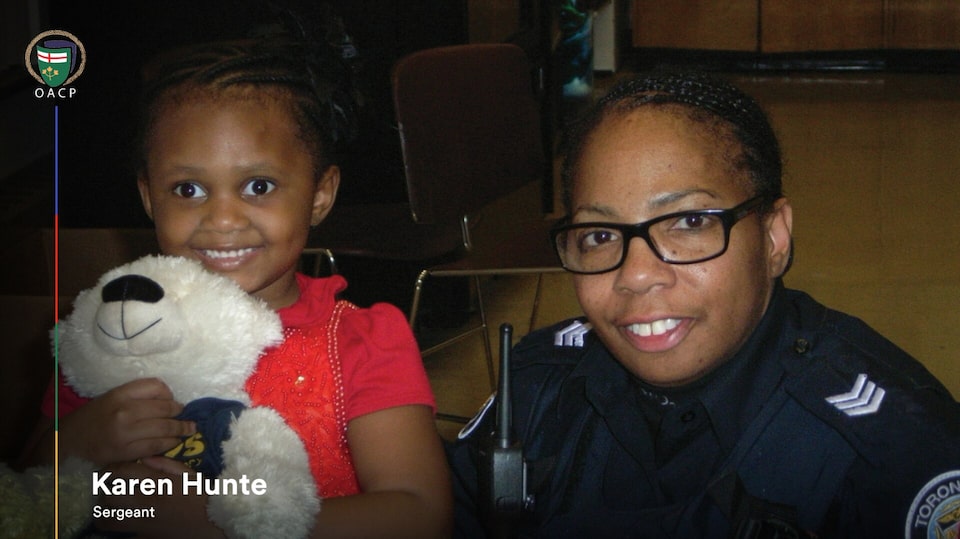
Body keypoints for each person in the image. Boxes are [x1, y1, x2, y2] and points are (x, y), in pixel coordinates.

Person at [447, 71, 960, 538]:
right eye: (600, 234)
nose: (637, 275)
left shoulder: (886, 452)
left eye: (690, 222)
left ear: (773, 238)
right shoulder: (540, 389)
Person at [19, 16, 452, 539]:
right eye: (187, 191)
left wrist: (212, 527)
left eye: (259, 185)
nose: (222, 220)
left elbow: (418, 515)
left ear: (320, 194)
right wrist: (74, 445)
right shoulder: (111, 333)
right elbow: (47, 501)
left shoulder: (363, 343)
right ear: (148, 196)